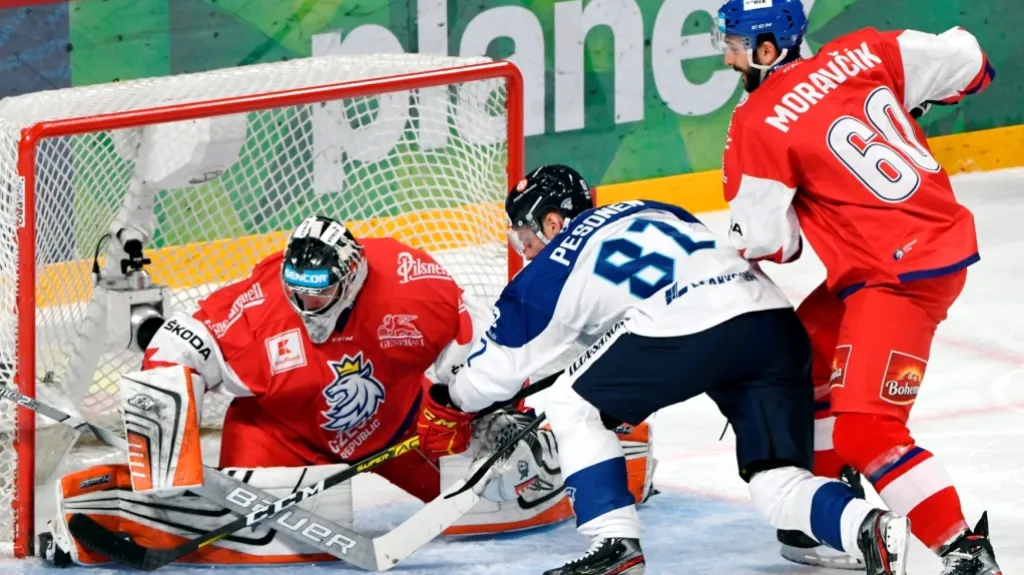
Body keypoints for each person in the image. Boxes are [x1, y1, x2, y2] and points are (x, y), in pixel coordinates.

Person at [41, 214, 655, 567]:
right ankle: (130, 504)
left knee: (503, 504)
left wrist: (466, 404)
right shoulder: (260, 309)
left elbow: (472, 338)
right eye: (297, 290)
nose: (306, 303)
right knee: (257, 548)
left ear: (353, 276)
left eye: (319, 291)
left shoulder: (407, 285)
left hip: (404, 422)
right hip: (279, 431)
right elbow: (176, 346)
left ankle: (609, 455)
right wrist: (165, 440)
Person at [414, 164, 909, 575]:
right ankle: (867, 527)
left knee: (571, 403)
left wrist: (448, 401)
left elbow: (494, 375)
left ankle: (614, 545)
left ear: (550, 223)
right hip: (771, 323)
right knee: (775, 480)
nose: (522, 249)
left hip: (688, 326)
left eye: (524, 233)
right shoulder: (653, 208)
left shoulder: (549, 267)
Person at [713, 0, 1002, 573]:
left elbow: (773, 245)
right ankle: (826, 517)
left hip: (895, 277)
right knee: (804, 361)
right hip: (920, 245)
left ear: (768, 49)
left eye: (736, 45)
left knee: (867, 429)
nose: (728, 57)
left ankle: (963, 550)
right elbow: (972, 61)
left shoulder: (758, 120)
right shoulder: (865, 49)